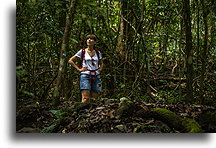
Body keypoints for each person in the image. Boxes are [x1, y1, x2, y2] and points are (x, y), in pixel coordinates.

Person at [68, 34, 104, 102]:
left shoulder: (97, 52)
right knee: (85, 98)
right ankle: (82, 111)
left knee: (94, 98)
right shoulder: (82, 52)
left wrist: (100, 69)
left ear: (95, 42)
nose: (89, 40)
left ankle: (92, 112)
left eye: (91, 39)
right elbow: (70, 61)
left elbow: (101, 63)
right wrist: (79, 69)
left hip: (96, 75)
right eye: (88, 39)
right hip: (85, 75)